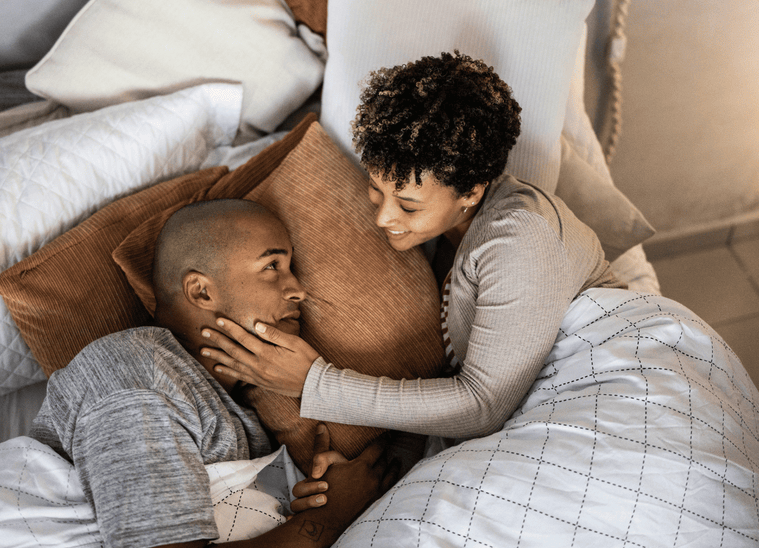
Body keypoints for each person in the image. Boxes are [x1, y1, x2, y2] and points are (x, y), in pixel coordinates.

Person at [0, 199, 400, 548]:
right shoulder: (139, 376)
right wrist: (326, 522)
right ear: (201, 291)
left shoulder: (234, 412)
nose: (298, 290)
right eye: (273, 267)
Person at [201, 51, 625, 443]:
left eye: (407, 205)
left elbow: (484, 407)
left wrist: (314, 383)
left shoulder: (518, 238)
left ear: (471, 192)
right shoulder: (445, 232)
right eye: (375, 188)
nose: (384, 218)